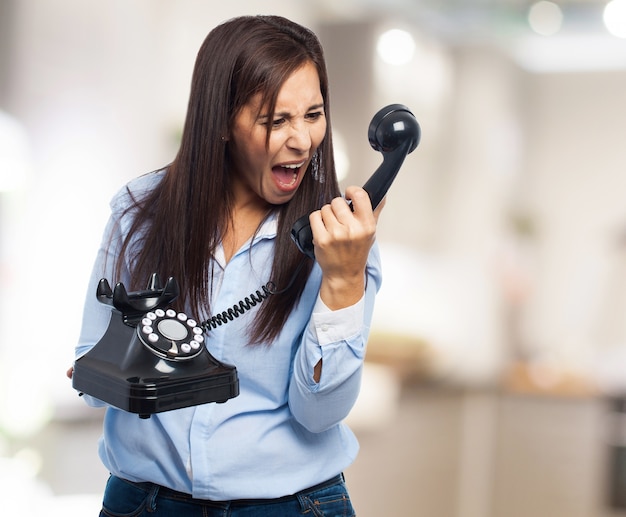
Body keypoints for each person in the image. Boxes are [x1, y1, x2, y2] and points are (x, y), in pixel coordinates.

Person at [69, 14, 384, 517]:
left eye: (313, 114)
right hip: (145, 504)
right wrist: (118, 364)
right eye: (276, 120)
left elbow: (319, 413)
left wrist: (344, 280)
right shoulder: (137, 214)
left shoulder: (337, 239)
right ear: (220, 121)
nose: (302, 141)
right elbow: (92, 375)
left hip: (291, 505)